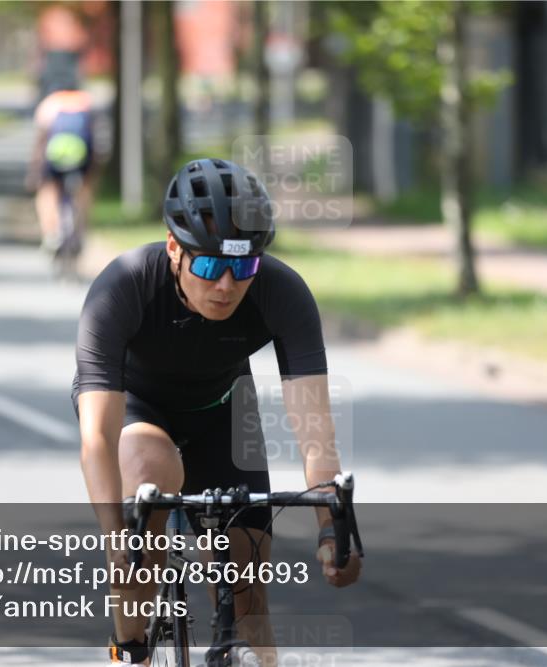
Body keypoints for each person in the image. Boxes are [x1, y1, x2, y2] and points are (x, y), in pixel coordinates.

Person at [73, 159, 361, 666]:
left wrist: (330, 529)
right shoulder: (122, 287)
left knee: (246, 586)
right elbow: (97, 436)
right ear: (173, 249)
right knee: (146, 486)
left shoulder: (283, 293)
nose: (226, 285)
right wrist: (116, 535)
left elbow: (317, 437)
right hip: (138, 407)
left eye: (243, 266)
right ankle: (131, 650)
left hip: (221, 410)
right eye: (208, 265)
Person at [27, 83, 97, 253]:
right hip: (81, 154)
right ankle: (80, 231)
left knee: (47, 190)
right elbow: (95, 138)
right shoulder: (87, 101)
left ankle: (51, 234)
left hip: (55, 155)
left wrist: (34, 173)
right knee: (85, 190)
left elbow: (41, 142)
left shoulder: (49, 104)